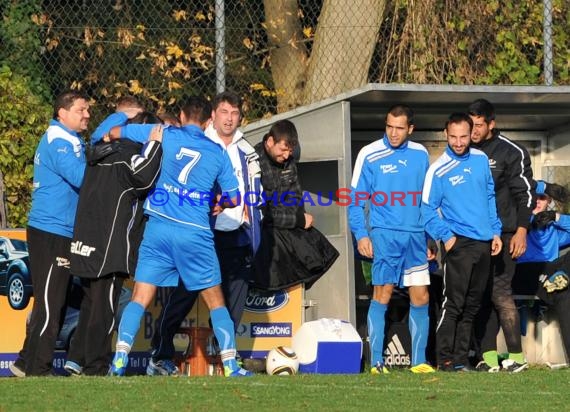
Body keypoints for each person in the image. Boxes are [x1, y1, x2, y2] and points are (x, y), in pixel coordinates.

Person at [107, 96, 251, 377]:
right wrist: (219, 202)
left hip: (158, 228)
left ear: (182, 117)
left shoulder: (164, 133)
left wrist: (112, 132)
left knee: (140, 297)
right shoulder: (218, 152)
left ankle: (120, 359)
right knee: (216, 301)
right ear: (209, 120)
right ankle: (232, 365)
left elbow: (115, 133)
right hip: (195, 233)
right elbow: (235, 198)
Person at [146, 91, 262, 376]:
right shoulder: (200, 140)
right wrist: (212, 203)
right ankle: (159, 354)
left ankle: (228, 360)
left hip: (237, 235)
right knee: (181, 300)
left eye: (235, 113)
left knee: (231, 303)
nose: (229, 118)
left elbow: (255, 190)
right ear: (213, 115)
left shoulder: (247, 150)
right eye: (224, 112)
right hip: (199, 235)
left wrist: (254, 209)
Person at [63, 110, 163, 376]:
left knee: (90, 303)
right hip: (109, 246)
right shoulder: (127, 157)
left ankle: (76, 359)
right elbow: (144, 178)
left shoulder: (100, 153)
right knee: (104, 308)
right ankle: (96, 365)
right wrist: (155, 144)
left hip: (87, 240)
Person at [348, 104, 435, 374]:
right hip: (384, 236)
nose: (393, 133)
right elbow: (354, 201)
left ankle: (418, 362)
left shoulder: (421, 154)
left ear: (411, 129)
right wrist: (361, 234)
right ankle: (376, 362)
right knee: (382, 294)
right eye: (389, 126)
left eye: (399, 128)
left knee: (421, 296)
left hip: (416, 238)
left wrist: (431, 237)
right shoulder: (369, 154)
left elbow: (427, 199)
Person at [11, 91, 90, 376]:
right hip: (50, 231)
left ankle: (24, 361)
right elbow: (81, 177)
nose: (87, 115)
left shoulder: (72, 139)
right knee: (51, 302)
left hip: (62, 231)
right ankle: (39, 369)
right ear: (63, 113)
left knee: (51, 298)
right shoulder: (58, 140)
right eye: (82, 109)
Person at [421, 112, 503, 371]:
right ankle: (444, 360)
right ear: (446, 134)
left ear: (472, 134)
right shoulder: (438, 170)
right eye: (453, 137)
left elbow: (490, 197)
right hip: (459, 244)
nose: (458, 142)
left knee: (472, 306)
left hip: (484, 242)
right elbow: (426, 210)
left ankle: (460, 360)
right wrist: (447, 237)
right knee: (453, 305)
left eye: (463, 136)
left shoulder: (480, 160)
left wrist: (496, 231)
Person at [468, 98, 537, 373]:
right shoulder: (464, 152)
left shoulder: (511, 152)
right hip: (474, 236)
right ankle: (489, 358)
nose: (472, 131)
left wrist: (522, 231)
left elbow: (526, 195)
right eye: (470, 124)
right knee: (480, 295)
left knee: (500, 292)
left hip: (507, 233)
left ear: (491, 124)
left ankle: (517, 358)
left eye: (478, 125)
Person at [251, 119, 339, 291]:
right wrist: (297, 220)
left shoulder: (288, 161)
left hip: (287, 222)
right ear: (270, 142)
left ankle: (292, 294)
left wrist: (300, 218)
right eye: (283, 150)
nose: (286, 155)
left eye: (290, 151)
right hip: (264, 227)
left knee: (318, 249)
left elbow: (295, 195)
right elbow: (262, 213)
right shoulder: (253, 162)